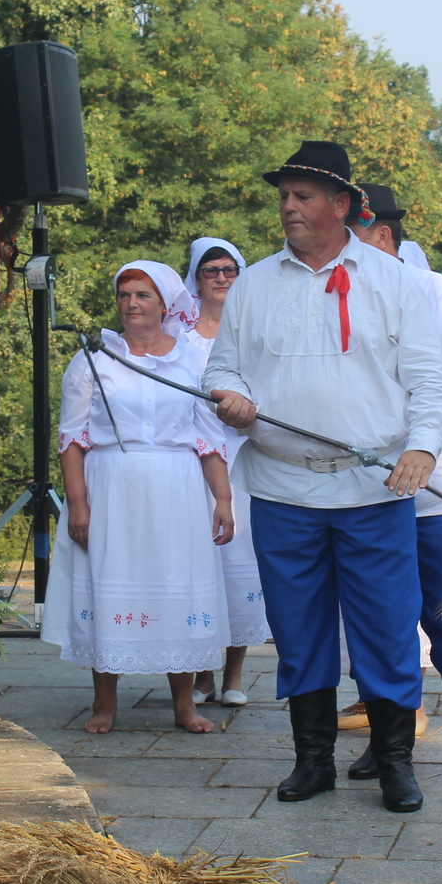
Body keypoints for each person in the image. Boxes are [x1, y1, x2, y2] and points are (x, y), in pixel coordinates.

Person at [203, 141, 442, 813]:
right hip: (283, 488)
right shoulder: (254, 283)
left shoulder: (393, 280)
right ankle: (311, 759)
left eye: (303, 195)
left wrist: (424, 450)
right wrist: (229, 397)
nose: (289, 206)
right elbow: (221, 367)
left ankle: (396, 761)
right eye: (284, 195)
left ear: (342, 205)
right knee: (298, 625)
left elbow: (431, 382)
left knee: (388, 626)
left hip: (374, 489)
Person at [339, 183, 442, 786]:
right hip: (362, 489)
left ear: (380, 235)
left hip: (438, 490)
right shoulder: (341, 295)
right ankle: (388, 741)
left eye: (347, 236)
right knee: (374, 618)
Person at [42, 260, 235, 734]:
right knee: (110, 583)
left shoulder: (192, 360)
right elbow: (71, 438)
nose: (131, 304)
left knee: (177, 587)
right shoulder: (94, 358)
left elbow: (209, 440)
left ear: (165, 304)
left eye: (143, 295)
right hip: (112, 486)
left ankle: (185, 705)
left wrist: (224, 500)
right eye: (125, 295)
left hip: (176, 488)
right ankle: (104, 704)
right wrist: (79, 503)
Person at [179, 236, 268, 708]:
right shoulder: (180, 340)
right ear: (196, 279)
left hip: (243, 460)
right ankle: (200, 672)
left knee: (238, 568)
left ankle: (234, 673)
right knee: (199, 566)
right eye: (211, 270)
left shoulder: (254, 333)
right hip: (192, 466)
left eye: (229, 270)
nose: (220, 278)